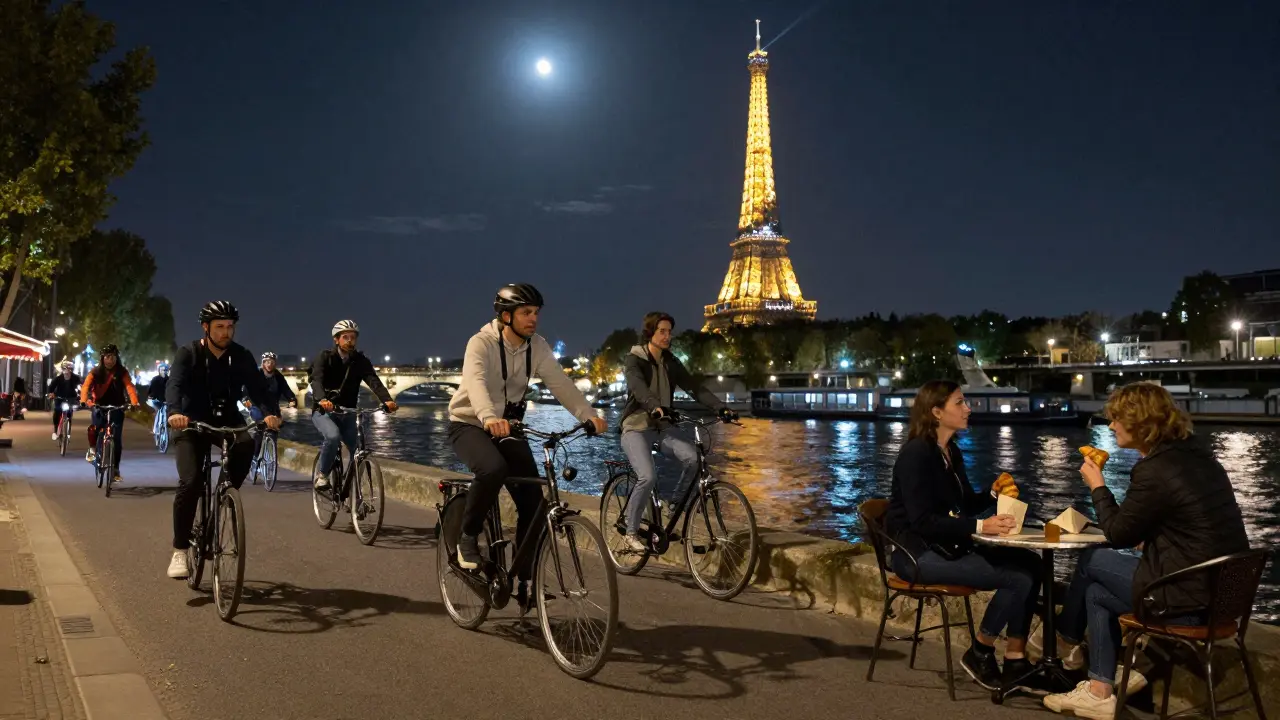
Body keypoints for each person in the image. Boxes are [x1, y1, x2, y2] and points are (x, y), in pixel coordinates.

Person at [1043, 383, 1250, 719]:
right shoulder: (1199, 456)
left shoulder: (1153, 469)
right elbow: (1190, 523)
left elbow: (1118, 533)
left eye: (1116, 420)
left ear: (1139, 423)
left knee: (1092, 559)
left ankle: (1064, 640)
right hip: (1225, 598)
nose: (1110, 427)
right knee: (1096, 592)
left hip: (1187, 601)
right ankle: (1099, 690)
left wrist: (1098, 486)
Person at [885, 379, 1041, 692]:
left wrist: (992, 495)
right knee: (1018, 578)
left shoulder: (950, 452)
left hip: (945, 547)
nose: (968, 408)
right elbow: (923, 521)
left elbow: (965, 503)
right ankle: (981, 652)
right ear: (937, 412)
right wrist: (982, 527)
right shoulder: (916, 454)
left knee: (1032, 563)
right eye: (960, 402)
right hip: (916, 555)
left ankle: (1015, 658)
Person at [447, 284, 607, 589]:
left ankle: (525, 577)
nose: (533, 319)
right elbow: (476, 382)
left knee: (534, 501)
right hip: (469, 423)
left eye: (536, 313)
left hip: (509, 427)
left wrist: (588, 415)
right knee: (493, 469)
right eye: (526, 312)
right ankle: (467, 537)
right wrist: (488, 417)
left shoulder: (538, 346)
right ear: (506, 316)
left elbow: (561, 384)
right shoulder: (480, 344)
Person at [165, 301, 281, 579]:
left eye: (230, 327)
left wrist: (271, 414)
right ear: (206, 328)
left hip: (226, 419)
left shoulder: (241, 356)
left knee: (245, 444)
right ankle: (180, 550)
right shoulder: (189, 353)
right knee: (190, 482)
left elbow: (259, 389)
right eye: (220, 327)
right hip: (191, 421)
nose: (226, 332)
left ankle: (223, 495)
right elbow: (175, 385)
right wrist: (175, 412)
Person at [618, 311, 736, 552]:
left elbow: (693, 387)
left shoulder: (670, 362)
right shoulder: (635, 359)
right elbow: (637, 387)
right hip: (636, 427)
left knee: (694, 458)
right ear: (650, 332)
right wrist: (654, 405)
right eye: (662, 331)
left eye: (669, 332)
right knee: (647, 477)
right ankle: (630, 533)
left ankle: (673, 505)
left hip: (662, 427)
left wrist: (720, 407)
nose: (667, 336)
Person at [308, 321, 397, 492]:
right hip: (324, 411)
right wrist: (322, 399)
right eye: (345, 337)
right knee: (333, 437)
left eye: (353, 337)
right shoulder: (325, 357)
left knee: (358, 450)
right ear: (336, 340)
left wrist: (387, 400)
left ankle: (353, 492)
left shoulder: (360, 361)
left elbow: (373, 380)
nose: (350, 341)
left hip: (348, 412)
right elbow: (316, 379)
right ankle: (323, 475)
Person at [79, 345, 139, 483]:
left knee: (117, 439)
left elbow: (129, 387)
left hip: (117, 406)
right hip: (99, 405)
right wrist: (84, 400)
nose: (110, 359)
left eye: (112, 356)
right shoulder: (95, 372)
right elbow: (86, 386)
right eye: (107, 356)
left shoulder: (122, 372)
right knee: (95, 428)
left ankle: (115, 469)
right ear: (102, 358)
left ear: (116, 357)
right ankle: (93, 449)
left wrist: (134, 402)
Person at [245, 351, 297, 463]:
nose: (269, 364)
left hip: (273, 407)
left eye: (272, 362)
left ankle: (270, 454)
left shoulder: (278, 377)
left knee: (274, 429)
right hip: (257, 405)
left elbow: (286, 389)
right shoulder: (256, 376)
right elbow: (254, 395)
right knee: (261, 427)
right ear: (263, 363)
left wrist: (292, 399)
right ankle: (255, 457)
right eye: (267, 362)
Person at [46, 361, 81, 440]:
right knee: (57, 412)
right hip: (60, 397)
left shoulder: (76, 378)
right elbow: (51, 387)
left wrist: (80, 394)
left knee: (69, 414)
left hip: (71, 398)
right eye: (65, 368)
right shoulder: (58, 378)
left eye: (69, 369)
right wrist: (50, 393)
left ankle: (68, 432)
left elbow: (80, 387)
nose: (67, 370)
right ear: (62, 369)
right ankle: (55, 431)